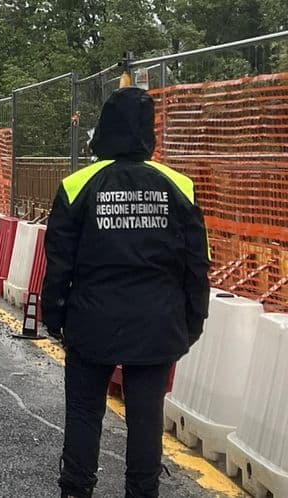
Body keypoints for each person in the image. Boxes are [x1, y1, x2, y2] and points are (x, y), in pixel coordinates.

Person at [41, 86, 210, 498]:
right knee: (146, 416)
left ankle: (76, 489)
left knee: (84, 411)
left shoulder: (77, 185)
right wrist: (192, 322)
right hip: (157, 322)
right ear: (149, 132)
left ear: (105, 130)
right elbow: (196, 263)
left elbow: (59, 260)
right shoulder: (180, 187)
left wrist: (55, 317)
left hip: (91, 320)